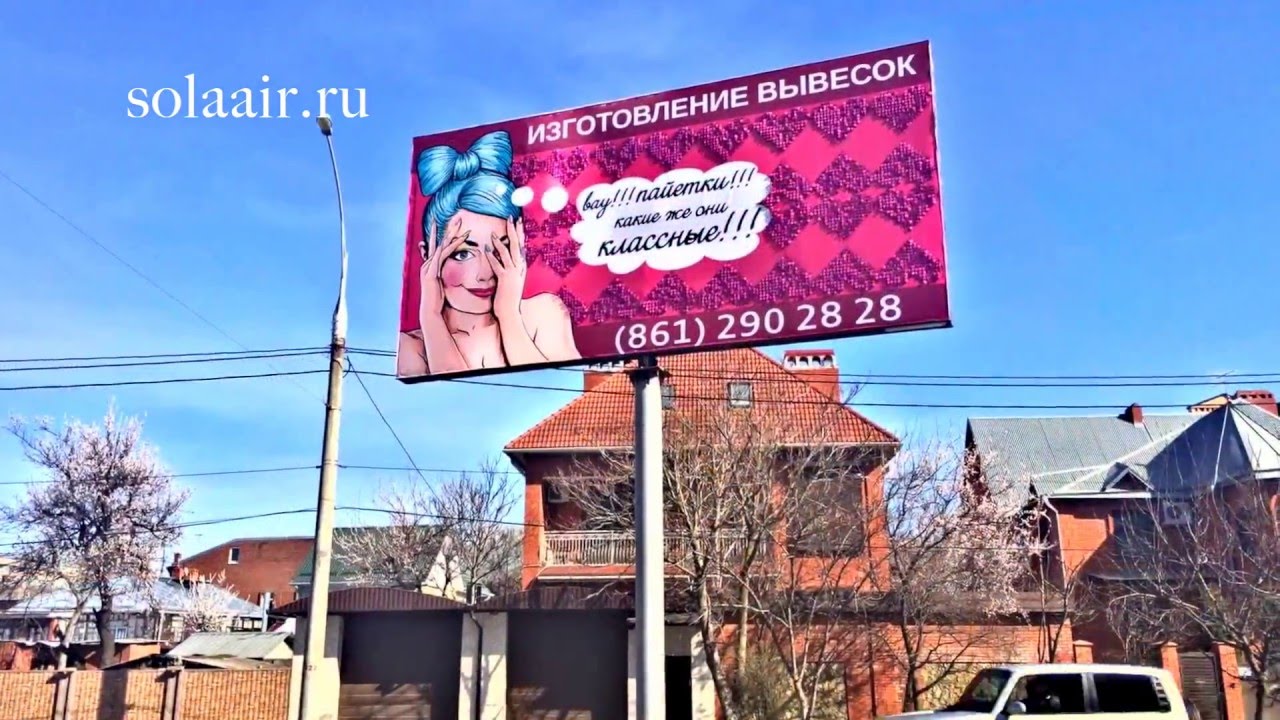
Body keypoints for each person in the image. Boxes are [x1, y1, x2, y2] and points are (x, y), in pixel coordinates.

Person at [396, 130, 580, 376]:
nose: (484, 274)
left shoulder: (545, 314)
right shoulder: (412, 347)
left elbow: (555, 385)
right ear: (427, 255)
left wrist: (509, 315)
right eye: (462, 253)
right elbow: (456, 389)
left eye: (500, 249)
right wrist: (431, 317)